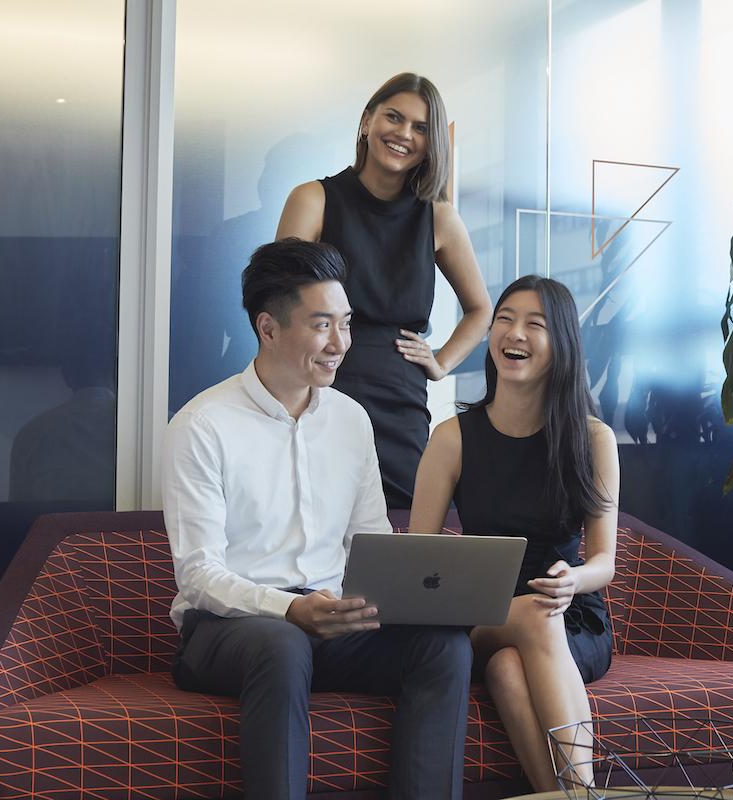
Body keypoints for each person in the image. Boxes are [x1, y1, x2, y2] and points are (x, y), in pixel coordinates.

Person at [163, 239, 472, 800]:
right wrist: (290, 609)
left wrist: (393, 597)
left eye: (346, 325)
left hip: (332, 619)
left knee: (443, 645)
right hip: (229, 631)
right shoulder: (202, 425)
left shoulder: (351, 420)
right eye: (322, 325)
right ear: (269, 328)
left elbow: (371, 541)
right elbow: (199, 575)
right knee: (282, 645)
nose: (340, 344)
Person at [409, 275, 621, 792]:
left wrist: (574, 579)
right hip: (481, 615)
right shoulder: (452, 438)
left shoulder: (593, 439)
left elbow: (604, 562)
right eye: (504, 319)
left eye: (534, 324)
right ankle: (588, 795)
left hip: (572, 616)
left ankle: (562, 796)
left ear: (561, 344)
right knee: (529, 617)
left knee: (508, 668)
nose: (513, 333)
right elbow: (416, 559)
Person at [276, 72, 492, 509]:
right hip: (321, 384)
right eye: (394, 117)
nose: (403, 134)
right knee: (311, 515)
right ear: (366, 121)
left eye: (420, 128)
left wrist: (441, 361)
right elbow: (277, 300)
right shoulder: (313, 199)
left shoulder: (439, 218)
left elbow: (480, 309)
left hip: (400, 397)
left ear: (432, 144)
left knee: (402, 528)